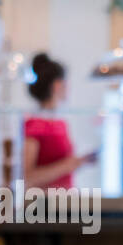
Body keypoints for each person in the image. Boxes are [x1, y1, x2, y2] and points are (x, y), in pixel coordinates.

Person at [23, 52, 97, 190]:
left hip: (64, 202)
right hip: (43, 205)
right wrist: (69, 165)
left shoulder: (59, 123)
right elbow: (26, 178)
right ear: (57, 85)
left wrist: (79, 162)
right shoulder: (34, 126)